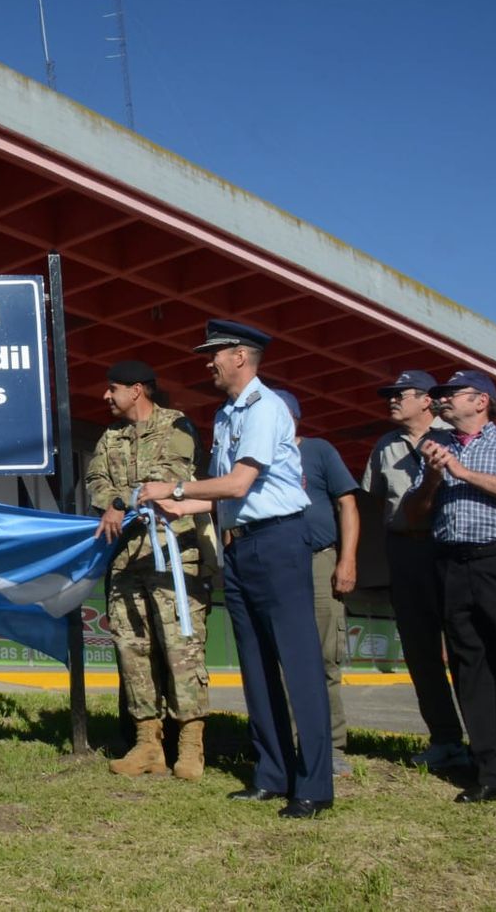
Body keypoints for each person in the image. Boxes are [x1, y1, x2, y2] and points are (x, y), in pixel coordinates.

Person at [136, 319, 332, 818]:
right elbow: (224, 496)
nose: (209, 362)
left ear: (240, 357)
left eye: (215, 354)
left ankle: (313, 785)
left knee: (299, 666)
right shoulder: (226, 416)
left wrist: (174, 491)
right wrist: (183, 509)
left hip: (279, 541)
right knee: (256, 666)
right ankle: (271, 774)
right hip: (241, 545)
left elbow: (240, 483)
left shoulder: (266, 408)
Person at [406, 369, 496, 811]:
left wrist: (461, 472)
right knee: (470, 668)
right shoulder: (435, 449)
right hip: (454, 564)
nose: (443, 402)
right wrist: (434, 478)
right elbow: (416, 513)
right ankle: (490, 770)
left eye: (451, 395)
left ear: (481, 401)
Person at [84, 360, 211, 781]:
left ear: (137, 389)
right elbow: (95, 483)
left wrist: (119, 503)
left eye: (113, 388)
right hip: (124, 559)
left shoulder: (177, 426)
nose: (107, 395)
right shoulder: (110, 436)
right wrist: (113, 501)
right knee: (132, 649)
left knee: (181, 647)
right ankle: (147, 744)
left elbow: (168, 480)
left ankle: (191, 746)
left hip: (173, 555)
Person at [360, 370, 468, 769]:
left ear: (426, 400)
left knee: (465, 644)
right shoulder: (385, 446)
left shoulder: (451, 435)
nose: (391, 400)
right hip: (404, 548)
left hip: (447, 547)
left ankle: (487, 741)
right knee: (421, 651)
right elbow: (375, 499)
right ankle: (445, 739)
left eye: (399, 394)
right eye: (389, 394)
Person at [275, 390, 360, 777]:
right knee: (281, 659)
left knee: (325, 657)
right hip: (278, 564)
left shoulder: (319, 450)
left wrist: (346, 559)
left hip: (319, 560)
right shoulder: (258, 457)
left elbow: (347, 504)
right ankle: (288, 742)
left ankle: (332, 745)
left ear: (293, 417)